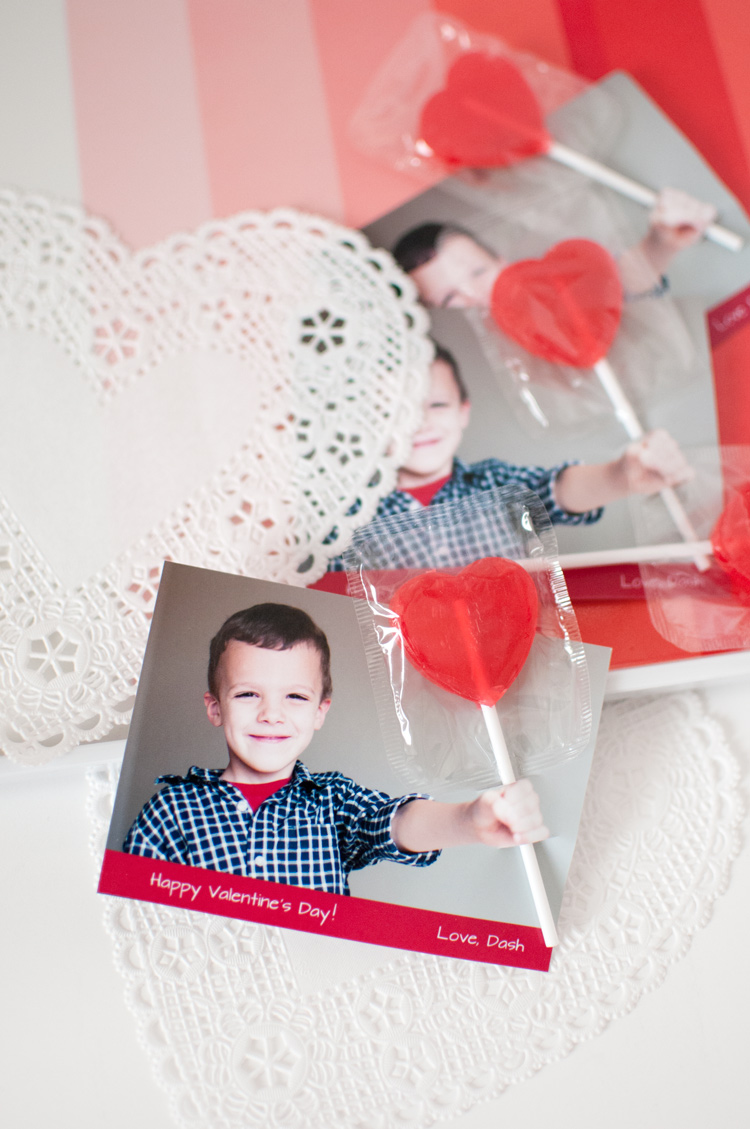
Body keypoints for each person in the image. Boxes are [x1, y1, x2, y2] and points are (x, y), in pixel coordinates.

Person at [123, 603, 548, 895]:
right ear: (215, 708)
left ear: (320, 712)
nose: (272, 715)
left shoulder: (329, 801)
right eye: (249, 694)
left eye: (295, 697)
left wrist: (469, 818)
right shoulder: (171, 812)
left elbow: (394, 824)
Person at [326, 343, 692, 570]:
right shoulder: (345, 515)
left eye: (437, 405)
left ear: (463, 412)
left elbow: (557, 491)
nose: (420, 423)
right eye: (399, 413)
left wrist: (621, 475)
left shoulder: (492, 484)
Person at [392, 188, 718, 309]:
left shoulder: (551, 273)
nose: (474, 293)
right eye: (451, 297)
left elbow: (618, 281)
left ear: (500, 256)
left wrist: (662, 241)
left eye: (478, 272)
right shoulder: (508, 354)